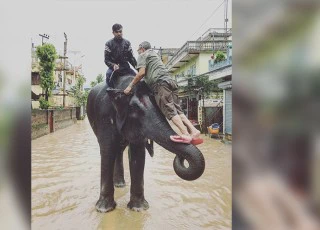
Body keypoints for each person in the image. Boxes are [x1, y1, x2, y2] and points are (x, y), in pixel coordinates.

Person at [123, 41, 202, 144]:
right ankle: (194, 131)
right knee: (178, 111)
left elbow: (141, 73)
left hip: (161, 85)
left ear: (142, 48)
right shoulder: (154, 55)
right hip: (171, 82)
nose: (138, 52)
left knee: (170, 111)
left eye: (138, 49)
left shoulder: (143, 55)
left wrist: (130, 86)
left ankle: (185, 134)